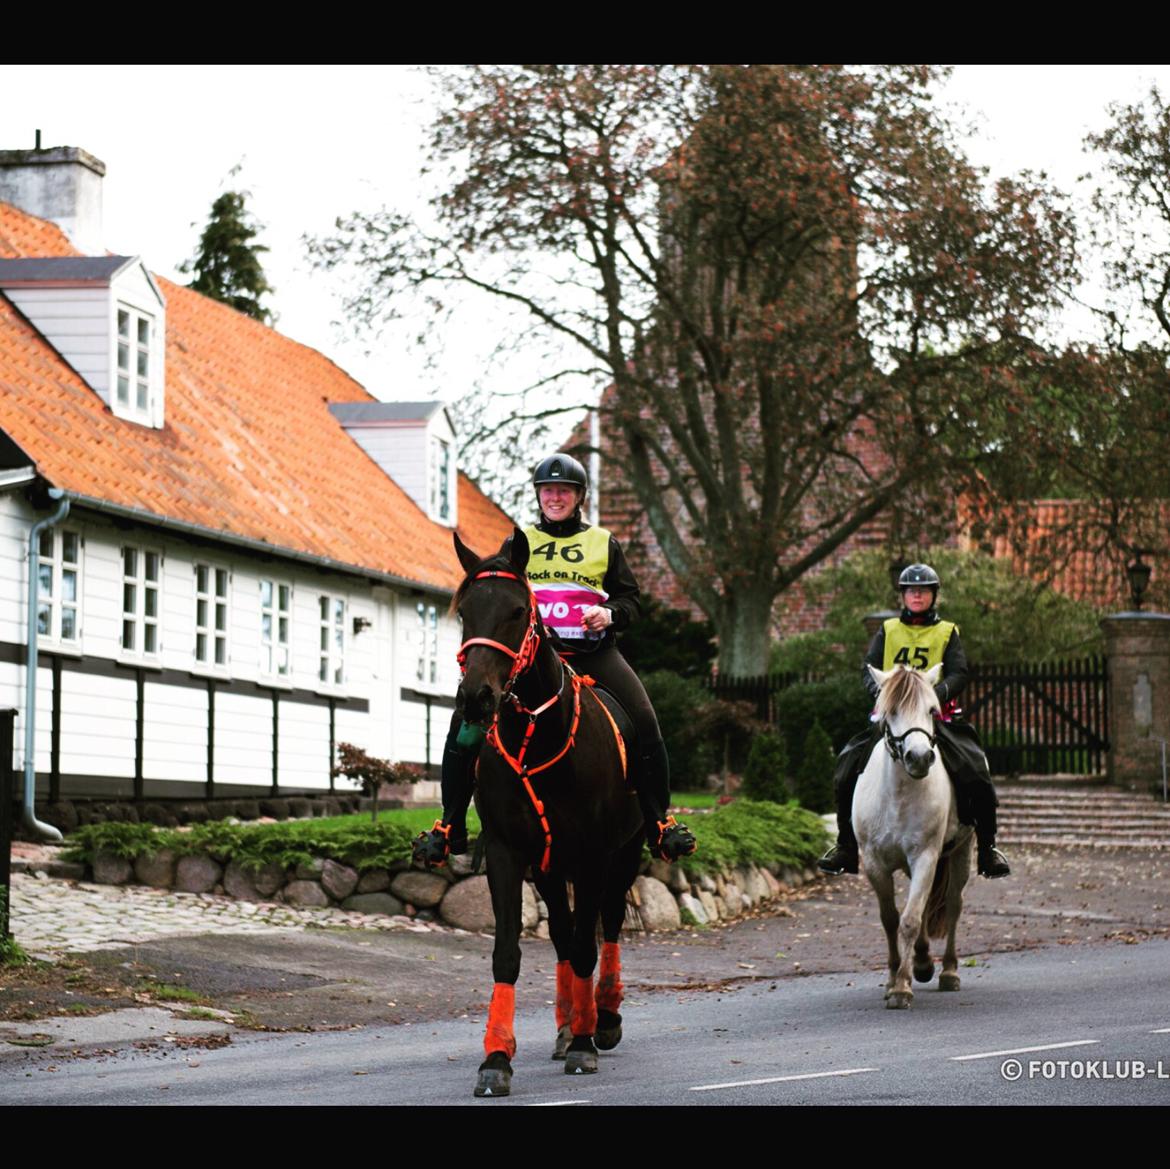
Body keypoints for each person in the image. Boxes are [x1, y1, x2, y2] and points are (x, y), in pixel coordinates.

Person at [413, 453, 696, 867]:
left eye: (564, 491)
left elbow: (631, 601)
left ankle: (658, 823)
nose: (555, 497)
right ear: (538, 496)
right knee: (466, 722)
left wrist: (610, 614)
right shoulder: (517, 543)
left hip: (591, 653)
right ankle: (449, 825)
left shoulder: (603, 543)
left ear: (579, 496)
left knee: (644, 720)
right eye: (548, 490)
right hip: (529, 662)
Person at [817, 563, 1011, 879]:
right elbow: (868, 668)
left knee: (976, 769)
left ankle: (987, 849)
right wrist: (884, 694)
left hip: (935, 717)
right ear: (904, 596)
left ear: (933, 595)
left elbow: (959, 673)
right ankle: (846, 846)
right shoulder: (888, 630)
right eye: (911, 591)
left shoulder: (947, 631)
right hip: (894, 720)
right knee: (844, 768)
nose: (917, 595)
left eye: (923, 591)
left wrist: (931, 696)